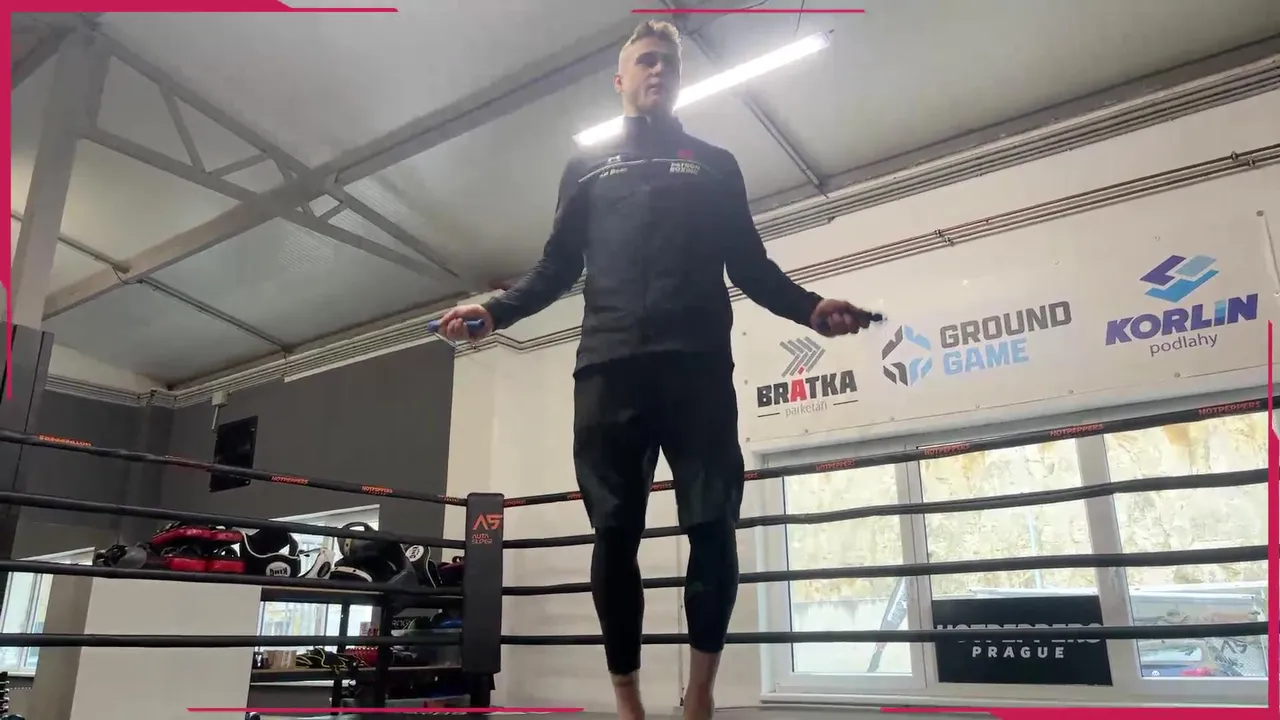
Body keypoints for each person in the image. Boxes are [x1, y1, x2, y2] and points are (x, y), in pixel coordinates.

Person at [439, 20, 878, 720]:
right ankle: (629, 701)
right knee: (615, 534)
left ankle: (700, 691)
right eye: (645, 60)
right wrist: (495, 312)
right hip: (608, 370)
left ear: (680, 79)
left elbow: (750, 264)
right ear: (620, 79)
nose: (658, 70)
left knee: (713, 525)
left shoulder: (716, 164)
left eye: (668, 63)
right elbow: (557, 267)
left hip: (697, 368)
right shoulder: (586, 166)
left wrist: (810, 308)